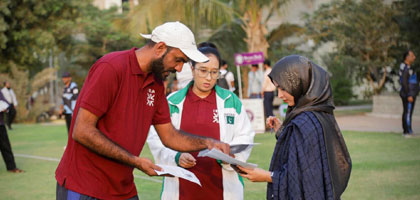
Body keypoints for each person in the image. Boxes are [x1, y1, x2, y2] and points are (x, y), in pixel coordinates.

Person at [55, 21, 230, 200]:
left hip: (123, 189)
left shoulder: (156, 83)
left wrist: (209, 143)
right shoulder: (111, 67)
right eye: (178, 60)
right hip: (85, 187)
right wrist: (135, 161)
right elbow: (82, 131)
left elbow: (169, 135)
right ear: (160, 48)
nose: (178, 68)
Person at [236, 55, 352, 200]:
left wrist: (266, 175)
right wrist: (283, 132)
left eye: (283, 88)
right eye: (277, 89)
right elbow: (304, 154)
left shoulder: (305, 121)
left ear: (298, 83)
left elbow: (303, 178)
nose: (279, 95)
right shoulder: (318, 112)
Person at [147, 47, 255, 200]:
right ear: (192, 69)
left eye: (214, 72)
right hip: (182, 191)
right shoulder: (171, 102)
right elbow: (156, 138)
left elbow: (245, 136)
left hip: (223, 189)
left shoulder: (231, 101)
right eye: (203, 70)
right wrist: (177, 157)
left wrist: (230, 156)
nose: (209, 77)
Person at [0, 91, 23, 173]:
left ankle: (11, 167)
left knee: (6, 146)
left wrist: (6, 108)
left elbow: (6, 103)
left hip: (1, 124)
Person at [399, 50, 419, 136]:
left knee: (408, 112)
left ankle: (408, 130)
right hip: (408, 95)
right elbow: (404, 82)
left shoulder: (410, 68)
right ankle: (407, 131)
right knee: (407, 112)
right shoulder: (405, 68)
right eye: (412, 56)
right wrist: (409, 94)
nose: (414, 57)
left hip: (412, 94)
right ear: (407, 57)